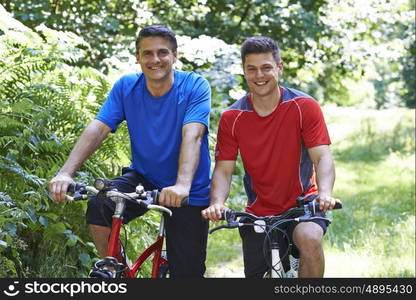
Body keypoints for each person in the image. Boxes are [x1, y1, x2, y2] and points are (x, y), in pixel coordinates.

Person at [49, 25, 211, 278]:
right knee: (100, 204)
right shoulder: (127, 87)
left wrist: (181, 185)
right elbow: (98, 128)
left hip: (189, 189)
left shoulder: (194, 86)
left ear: (175, 56)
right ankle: (118, 271)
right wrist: (65, 173)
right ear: (137, 57)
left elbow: (194, 134)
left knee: (187, 275)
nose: (155, 60)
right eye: (147, 53)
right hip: (144, 178)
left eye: (162, 53)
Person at [201, 36, 341, 278]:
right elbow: (224, 169)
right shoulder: (232, 117)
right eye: (251, 69)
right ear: (244, 71)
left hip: (303, 203)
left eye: (266, 67)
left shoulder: (303, 106)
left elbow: (322, 157)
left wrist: (325, 194)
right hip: (257, 210)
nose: (259, 75)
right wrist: (217, 203)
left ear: (279, 67)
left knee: (309, 239)